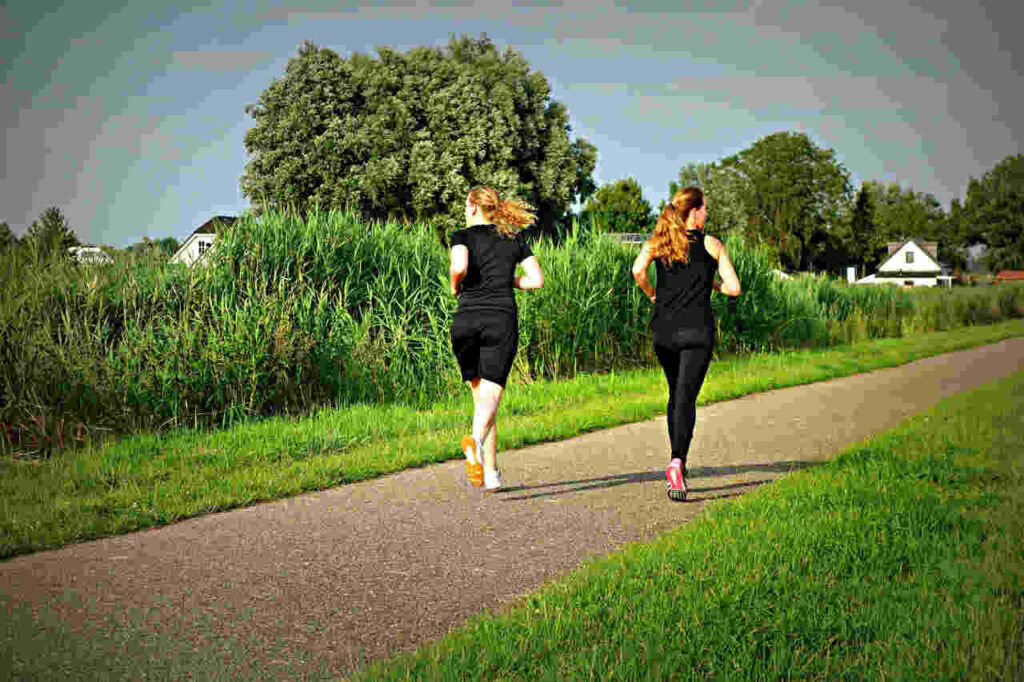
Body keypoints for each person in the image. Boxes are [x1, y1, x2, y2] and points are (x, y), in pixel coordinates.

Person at [631, 186, 741, 501]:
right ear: (694, 211)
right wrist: (712, 283)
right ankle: (677, 461)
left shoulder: (660, 242)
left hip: (663, 332)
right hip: (697, 333)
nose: (707, 213)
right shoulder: (712, 245)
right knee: (685, 399)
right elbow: (734, 289)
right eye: (705, 208)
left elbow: (637, 270)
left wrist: (653, 295)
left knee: (675, 394)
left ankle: (676, 460)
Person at [449, 187, 545, 491]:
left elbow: (459, 266)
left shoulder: (461, 236)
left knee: (482, 401)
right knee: (490, 399)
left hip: (465, 321)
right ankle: (474, 442)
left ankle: (491, 473)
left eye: (466, 204)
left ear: (475, 207)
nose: (465, 209)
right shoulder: (513, 238)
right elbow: (537, 280)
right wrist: (511, 281)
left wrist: (455, 286)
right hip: (499, 321)